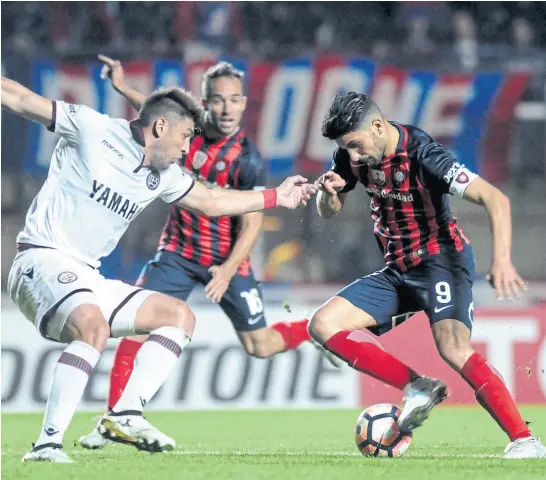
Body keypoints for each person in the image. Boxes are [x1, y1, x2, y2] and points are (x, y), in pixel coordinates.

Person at [1, 75, 316, 463]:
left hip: (87, 275)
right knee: (93, 326)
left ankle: (127, 413)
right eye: (184, 136)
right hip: (41, 259)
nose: (187, 147)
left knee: (178, 315)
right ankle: (47, 445)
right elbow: (18, 97)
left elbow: (212, 201)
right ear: (160, 126)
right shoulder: (91, 127)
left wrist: (276, 197)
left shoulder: (164, 175)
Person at [78, 56, 339, 450]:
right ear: (204, 104)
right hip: (178, 253)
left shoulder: (248, 158)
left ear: (245, 102)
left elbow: (252, 221)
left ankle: (309, 330)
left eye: (234, 100)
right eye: (217, 100)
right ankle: (117, 419)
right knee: (135, 329)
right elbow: (155, 113)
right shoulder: (188, 132)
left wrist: (228, 270)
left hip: (228, 259)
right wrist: (121, 86)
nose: (227, 108)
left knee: (260, 345)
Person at [310, 91, 546, 459]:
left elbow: (496, 199)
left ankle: (525, 441)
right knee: (322, 325)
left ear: (377, 126)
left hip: (441, 262)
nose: (352, 156)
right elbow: (328, 211)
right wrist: (329, 194)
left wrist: (502, 261)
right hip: (397, 270)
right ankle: (419, 387)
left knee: (451, 346)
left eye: (355, 146)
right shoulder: (349, 155)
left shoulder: (425, 155)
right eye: (346, 149)